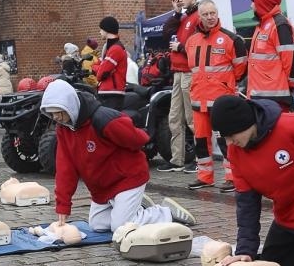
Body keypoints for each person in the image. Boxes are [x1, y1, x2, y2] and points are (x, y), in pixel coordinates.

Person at [39, 79, 196, 233]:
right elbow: (65, 169)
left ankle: (165, 213)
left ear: (69, 105)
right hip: (102, 187)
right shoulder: (64, 129)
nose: (56, 118)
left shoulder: (102, 119)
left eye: (59, 112)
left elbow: (137, 138)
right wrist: (63, 205)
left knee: (120, 226)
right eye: (52, 114)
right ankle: (137, 209)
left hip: (126, 178)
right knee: (97, 225)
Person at [210, 94, 294, 266]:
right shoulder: (235, 152)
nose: (229, 143)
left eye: (231, 135)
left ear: (245, 123)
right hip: (287, 219)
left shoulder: (292, 126)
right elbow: (247, 204)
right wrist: (245, 250)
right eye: (224, 138)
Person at [185, 0, 247, 189]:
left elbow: (241, 69)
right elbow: (192, 68)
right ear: (200, 17)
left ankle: (233, 177)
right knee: (201, 141)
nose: (210, 17)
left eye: (213, 13)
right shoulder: (191, 41)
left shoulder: (231, 39)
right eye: (206, 14)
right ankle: (205, 176)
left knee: (225, 139)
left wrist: (224, 85)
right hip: (198, 100)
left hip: (221, 100)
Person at [161, 0, 199, 172]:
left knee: (192, 119)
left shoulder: (198, 17)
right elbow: (166, 33)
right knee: (174, 118)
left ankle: (202, 159)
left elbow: (200, 45)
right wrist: (176, 13)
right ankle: (177, 159)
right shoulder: (183, 18)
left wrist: (181, 48)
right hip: (177, 72)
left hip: (189, 72)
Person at [247, 0, 294, 110]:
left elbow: (290, 61)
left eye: (253, 1)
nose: (251, 5)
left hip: (275, 97)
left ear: (262, 3)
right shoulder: (263, 24)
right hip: (260, 94)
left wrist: (290, 87)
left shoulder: (279, 24)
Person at [93, 17, 128, 110]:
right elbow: (101, 66)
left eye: (101, 29)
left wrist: (97, 68)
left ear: (106, 30)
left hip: (111, 93)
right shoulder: (112, 48)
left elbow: (101, 74)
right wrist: (99, 67)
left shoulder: (115, 49)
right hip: (110, 92)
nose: (100, 32)